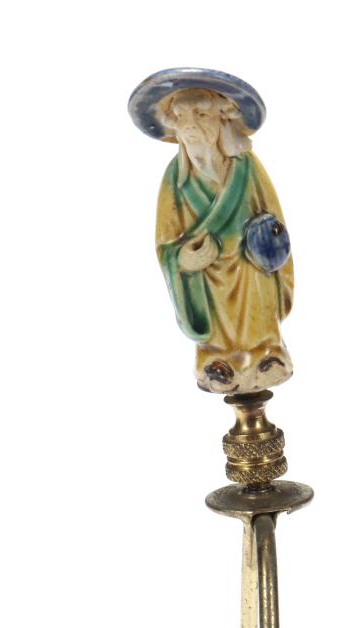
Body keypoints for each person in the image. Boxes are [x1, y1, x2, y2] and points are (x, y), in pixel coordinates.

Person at [129, 69, 294, 394]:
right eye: (181, 117)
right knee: (219, 331)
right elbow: (165, 242)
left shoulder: (246, 168)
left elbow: (274, 218)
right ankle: (218, 359)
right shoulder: (174, 180)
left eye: (201, 115)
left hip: (249, 270)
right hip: (207, 281)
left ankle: (267, 353)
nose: (190, 125)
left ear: (222, 119)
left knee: (257, 311)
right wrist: (182, 260)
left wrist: (269, 241)